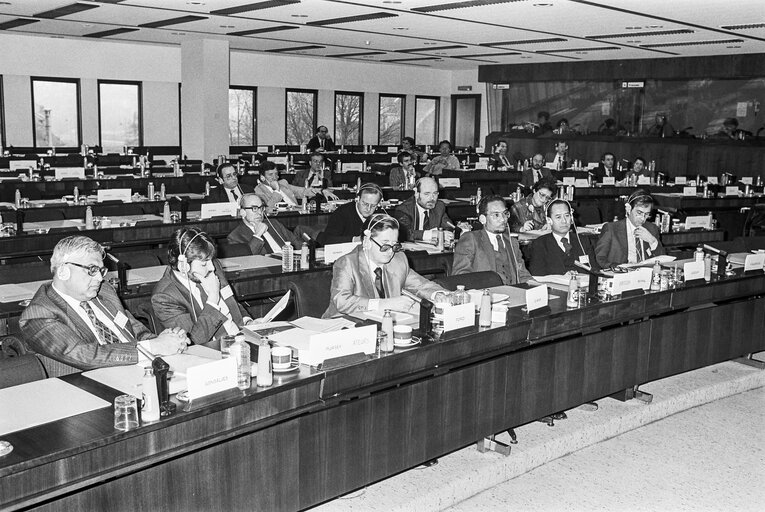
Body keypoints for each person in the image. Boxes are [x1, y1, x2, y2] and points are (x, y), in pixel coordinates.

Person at [19, 236, 189, 370]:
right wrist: (154, 346)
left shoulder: (104, 292)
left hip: (140, 370)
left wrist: (169, 341)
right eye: (92, 270)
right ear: (63, 271)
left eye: (101, 271)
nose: (100, 278)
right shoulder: (38, 314)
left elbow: (136, 331)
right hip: (88, 389)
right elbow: (85, 355)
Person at [323, 214, 446, 318]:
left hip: (381, 321)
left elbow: (421, 285)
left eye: (395, 245)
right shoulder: (346, 263)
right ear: (367, 242)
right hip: (343, 323)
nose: (391, 251)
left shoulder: (398, 260)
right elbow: (342, 301)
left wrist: (439, 294)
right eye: (385, 245)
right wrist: (385, 304)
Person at [152, 229, 256, 347]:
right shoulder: (164, 297)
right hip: (213, 352)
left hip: (242, 339)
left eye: (211, 260)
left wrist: (248, 322)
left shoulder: (212, 266)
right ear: (183, 266)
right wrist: (213, 299)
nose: (212, 267)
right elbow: (192, 342)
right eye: (204, 263)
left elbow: (231, 302)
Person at [452, 195, 532, 285]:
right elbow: (460, 276)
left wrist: (543, 287)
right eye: (496, 215)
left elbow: (523, 276)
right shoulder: (471, 239)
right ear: (483, 219)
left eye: (505, 213)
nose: (503, 219)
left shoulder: (512, 242)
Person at [595, 189, 665, 268]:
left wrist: (652, 241)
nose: (642, 218)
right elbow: (600, 259)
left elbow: (662, 260)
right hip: (622, 275)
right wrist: (620, 268)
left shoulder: (652, 228)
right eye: (639, 213)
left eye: (646, 214)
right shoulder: (611, 229)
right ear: (628, 209)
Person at [527, 199, 599, 276]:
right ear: (549, 220)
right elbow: (537, 275)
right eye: (558, 217)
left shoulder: (583, 241)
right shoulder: (540, 244)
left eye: (567, 216)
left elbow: (594, 270)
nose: (564, 221)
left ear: (571, 218)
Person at [227, 193, 301, 256]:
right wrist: (257, 235)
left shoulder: (273, 223)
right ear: (242, 212)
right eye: (254, 208)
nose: (259, 213)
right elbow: (247, 260)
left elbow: (295, 242)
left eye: (261, 208)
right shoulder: (235, 237)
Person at [317, 183, 383, 246]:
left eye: (373, 206)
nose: (368, 209)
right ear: (358, 199)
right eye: (365, 204)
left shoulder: (380, 215)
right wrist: (353, 239)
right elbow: (326, 240)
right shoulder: (342, 213)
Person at [394, 177, 455, 242]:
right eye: (427, 194)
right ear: (416, 193)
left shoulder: (439, 206)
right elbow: (406, 234)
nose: (432, 198)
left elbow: (449, 226)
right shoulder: (403, 209)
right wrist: (434, 234)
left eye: (435, 193)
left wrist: (457, 228)